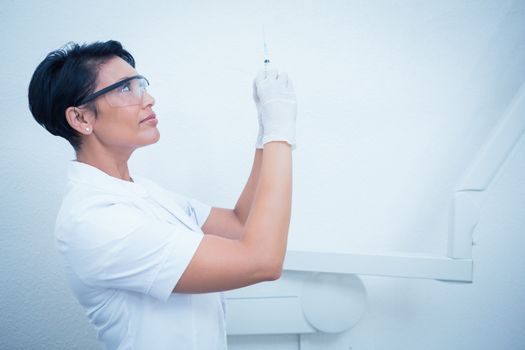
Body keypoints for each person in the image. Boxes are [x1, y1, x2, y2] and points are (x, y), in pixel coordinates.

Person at [27, 40, 297, 350]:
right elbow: (262, 261)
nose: (149, 99)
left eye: (140, 84)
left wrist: (265, 133)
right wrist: (281, 134)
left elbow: (239, 225)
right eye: (125, 89)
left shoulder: (141, 191)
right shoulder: (96, 219)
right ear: (82, 119)